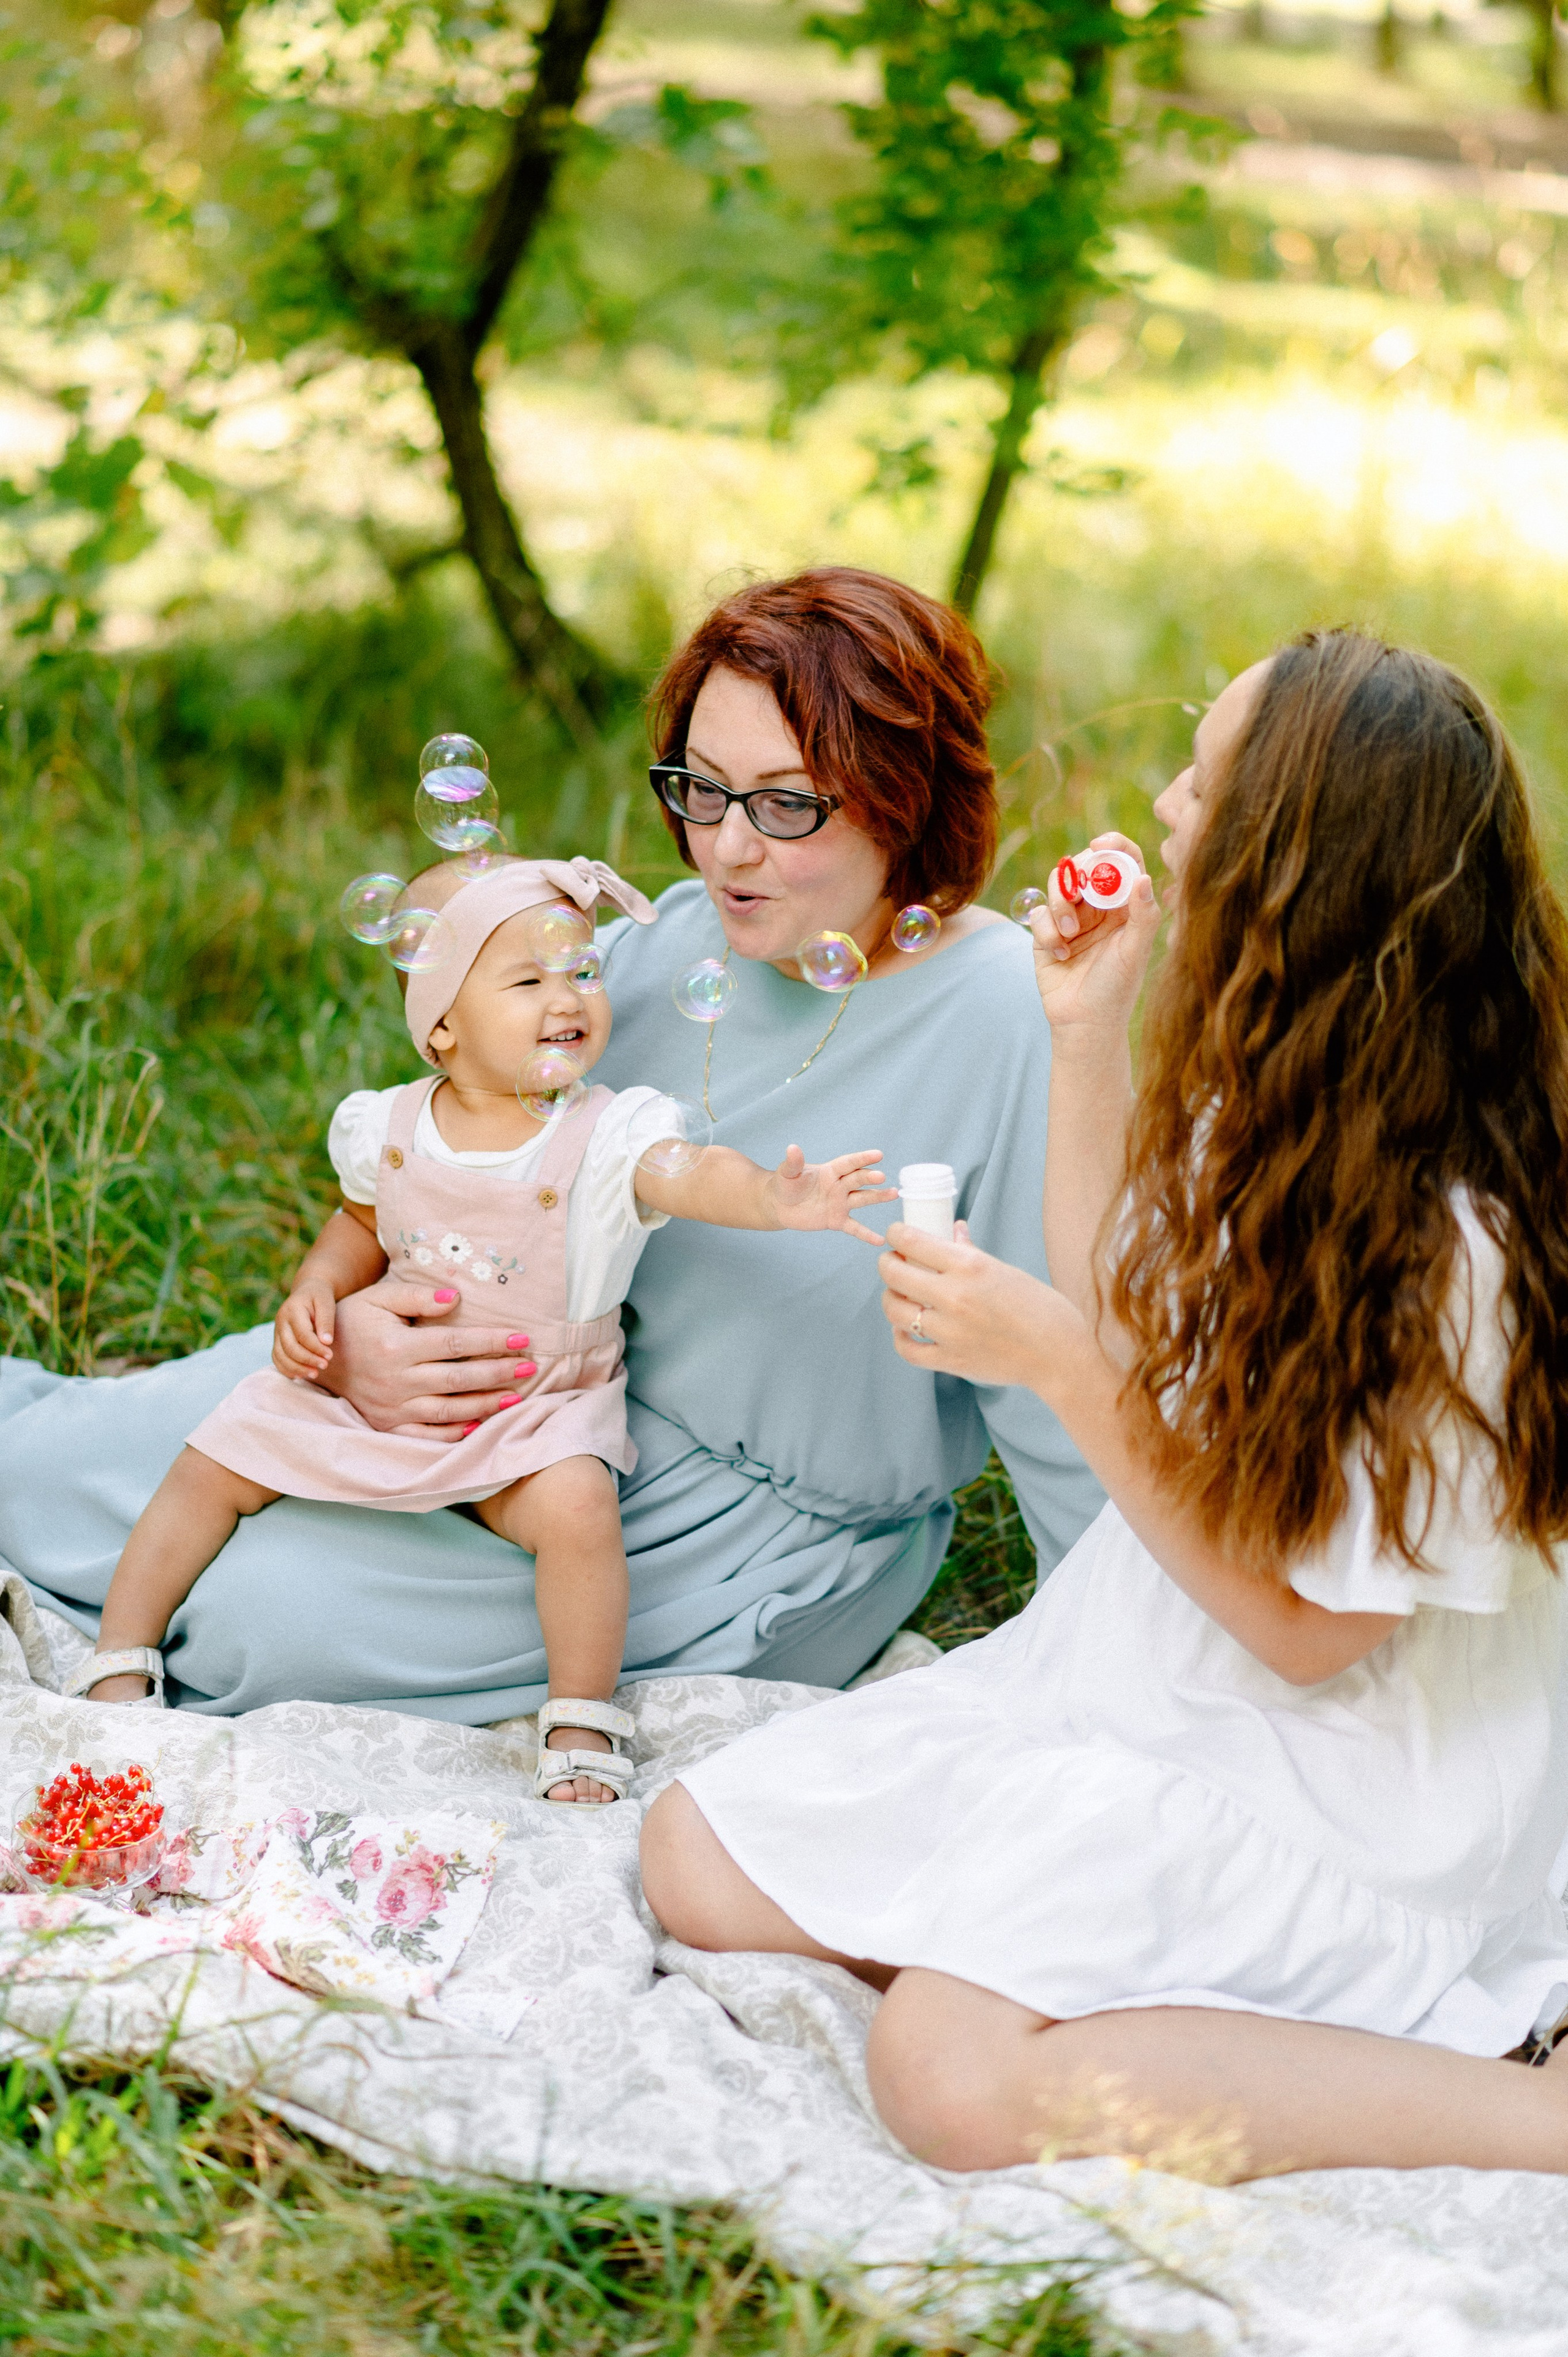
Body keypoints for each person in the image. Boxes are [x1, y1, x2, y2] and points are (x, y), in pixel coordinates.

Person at [642, 628, 1568, 2182]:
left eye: (1203, 785)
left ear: (1289, 863)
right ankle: (1153, 1984)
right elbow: (1132, 1314)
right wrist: (1085, 1036)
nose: (1165, 804)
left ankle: (1525, 2107)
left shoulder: (1458, 1250)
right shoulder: (1285, 1081)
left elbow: (1310, 1637)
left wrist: (1061, 1369)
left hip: (1344, 1764)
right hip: (1154, 1660)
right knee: (697, 1857)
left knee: (942, 2080)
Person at [0, 568, 1104, 1718]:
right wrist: (357, 1337)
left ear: (903, 798)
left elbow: (1063, 1368)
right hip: (508, 1391)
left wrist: (1117, 1653)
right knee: (45, 1468)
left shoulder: (1012, 1017)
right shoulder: (651, 948)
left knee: (254, 1626)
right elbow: (461, 1172)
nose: (725, 849)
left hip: (726, 1534)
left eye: (786, 805)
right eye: (702, 788)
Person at [65, 852, 892, 1800]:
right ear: (443, 1027)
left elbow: (693, 1175)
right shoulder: (390, 1125)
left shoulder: (609, 1135)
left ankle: (581, 1716)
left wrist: (774, 1198)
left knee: (579, 1505)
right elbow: (360, 1223)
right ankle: (121, 1652)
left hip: (534, 1406)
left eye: (582, 969)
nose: (567, 997)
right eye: (528, 980)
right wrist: (315, 1291)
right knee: (213, 1455)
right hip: (388, 1392)